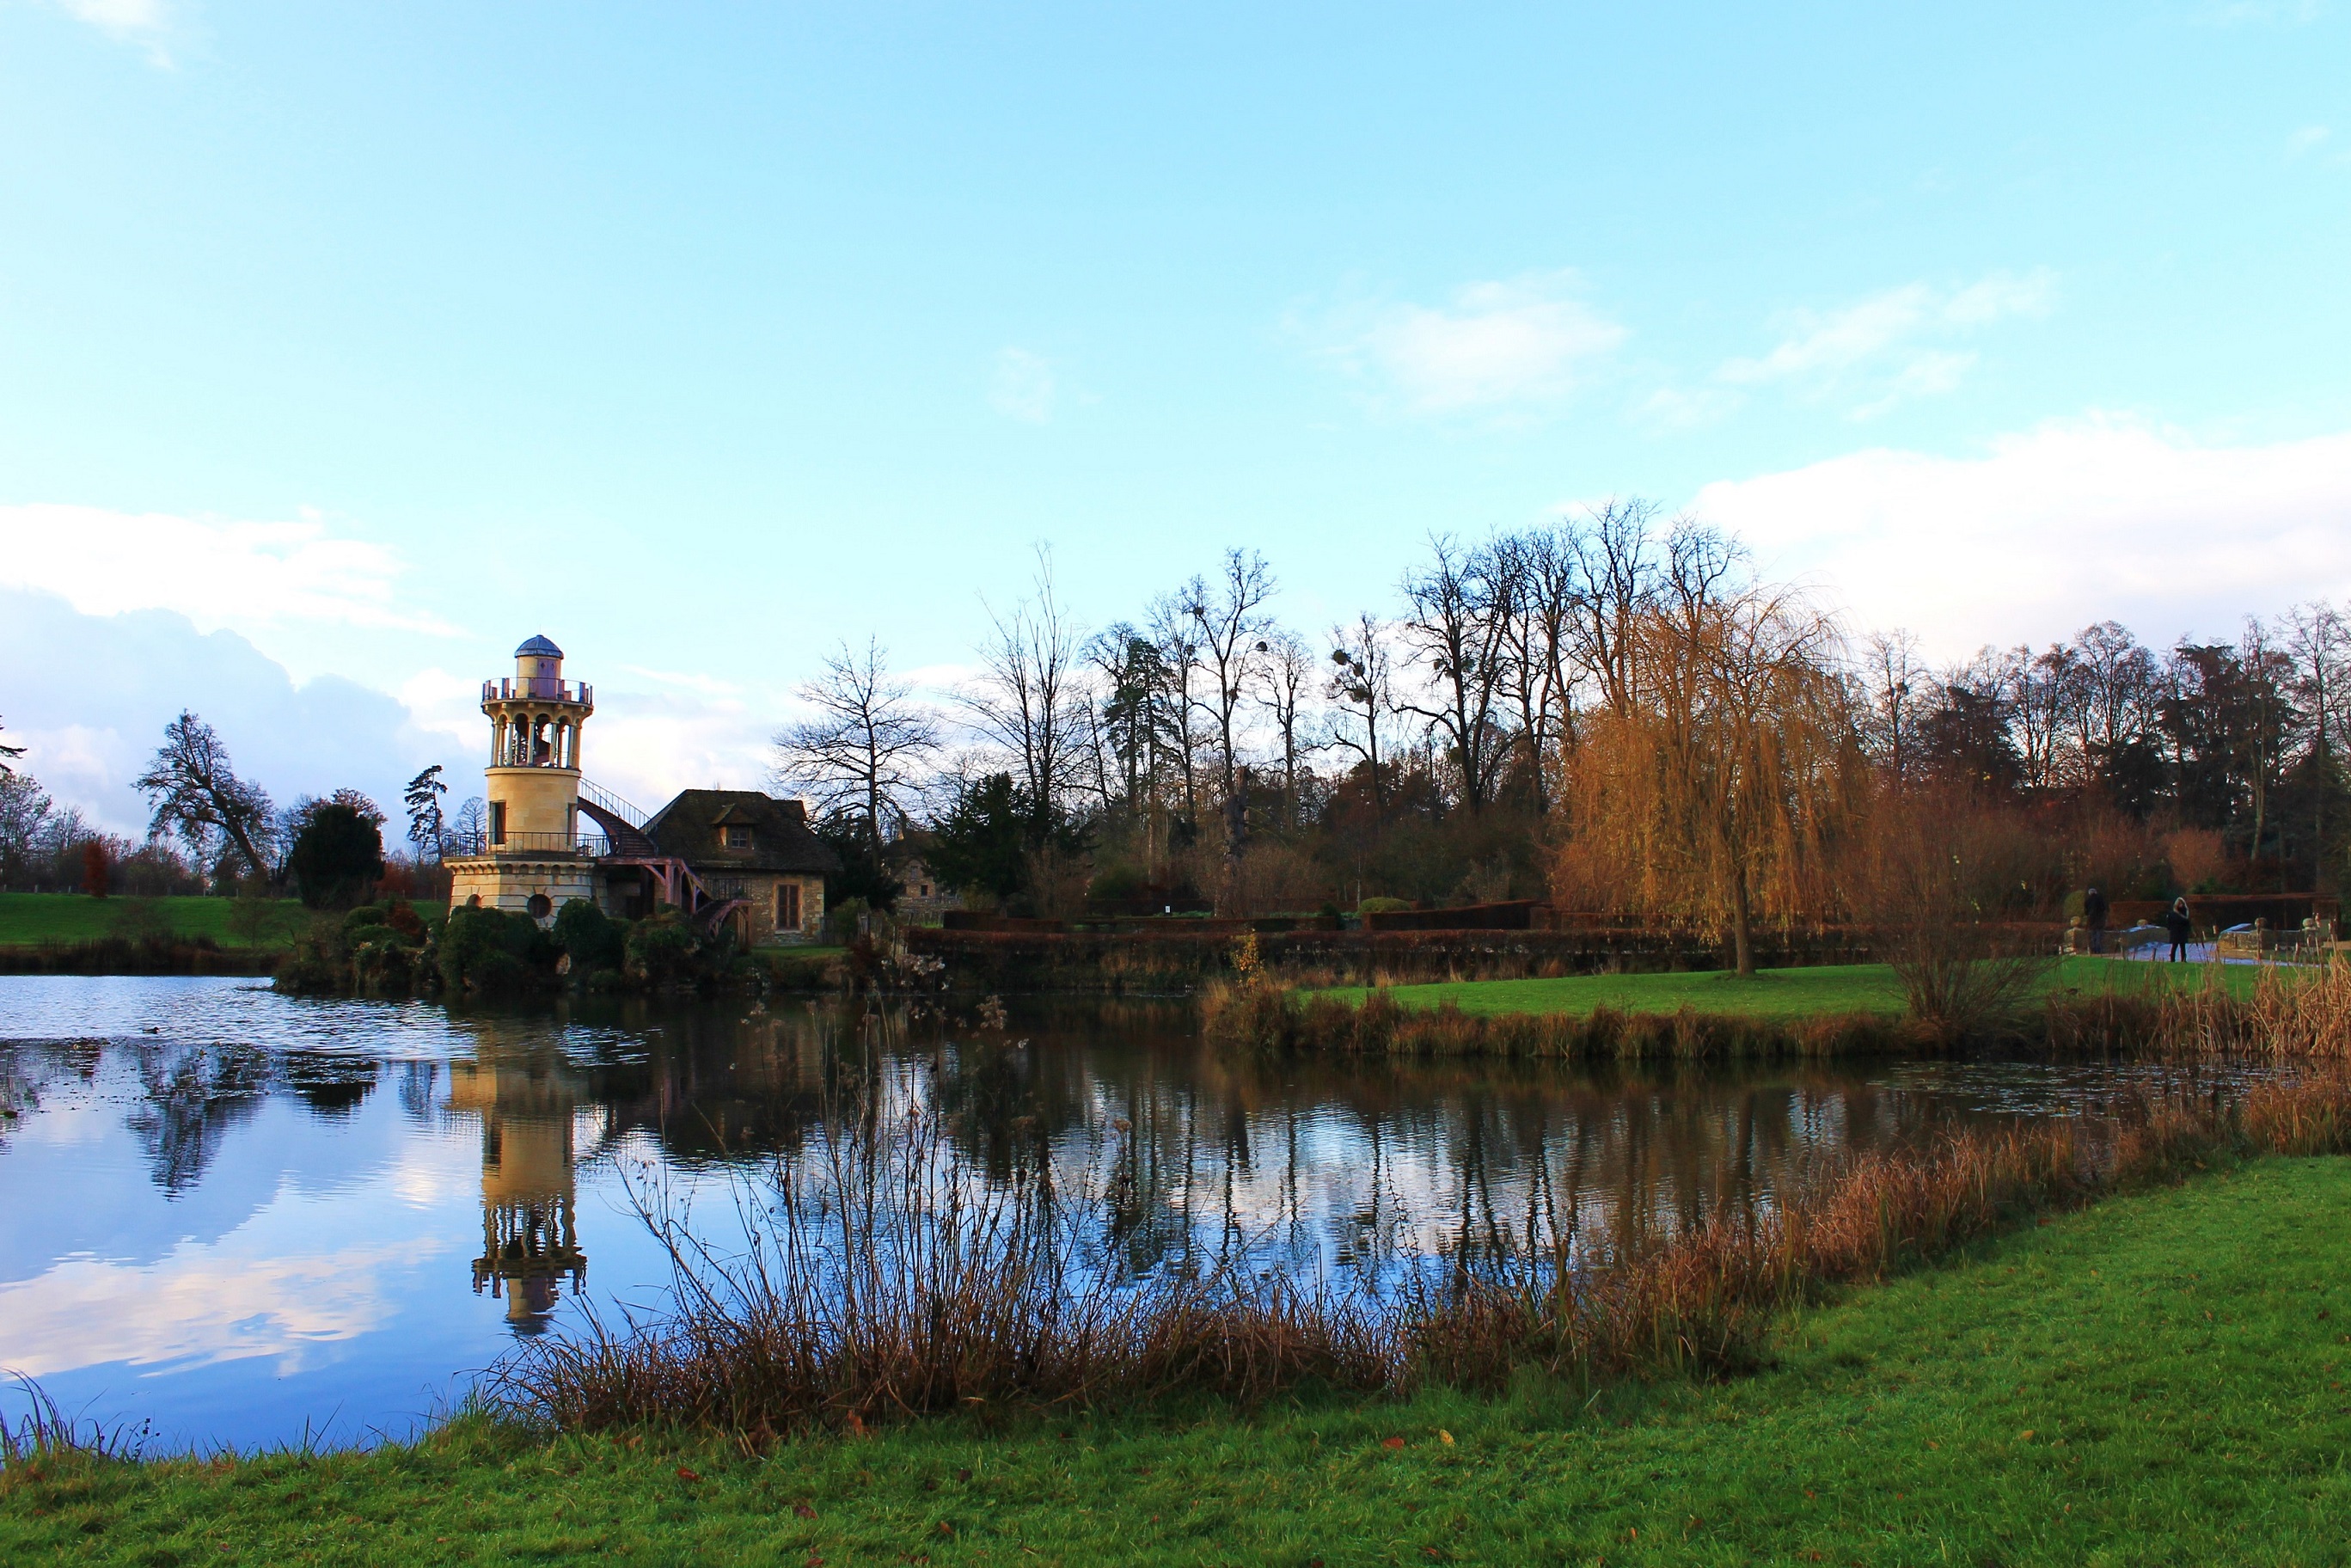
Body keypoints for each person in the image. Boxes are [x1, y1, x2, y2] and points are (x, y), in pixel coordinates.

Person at [2164, 897, 2192, 963]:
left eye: (2182, 904)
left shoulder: (2185, 912)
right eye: (2179, 904)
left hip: (2182, 931)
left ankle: (2183, 959)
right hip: (2175, 931)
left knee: (2183, 947)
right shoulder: (2172, 914)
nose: (2181, 905)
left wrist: (2188, 929)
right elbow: (2169, 922)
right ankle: (2172, 959)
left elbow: (2187, 922)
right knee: (2174, 946)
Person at [2084, 885, 2109, 954]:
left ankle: (2094, 949)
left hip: (2091, 919)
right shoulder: (2100, 898)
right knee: (2099, 934)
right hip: (2100, 918)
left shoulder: (2087, 900)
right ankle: (2099, 950)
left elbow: (2086, 912)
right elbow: (2103, 908)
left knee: (2093, 934)